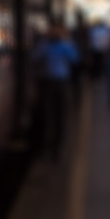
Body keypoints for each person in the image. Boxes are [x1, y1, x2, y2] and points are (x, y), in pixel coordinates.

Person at [35, 21, 79, 160]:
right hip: (56, 82)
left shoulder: (46, 46)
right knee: (56, 115)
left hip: (52, 82)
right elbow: (75, 59)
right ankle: (54, 146)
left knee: (53, 114)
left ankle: (53, 146)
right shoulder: (63, 45)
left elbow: (35, 58)